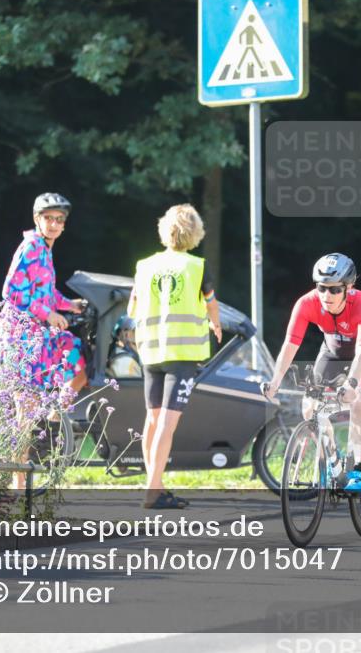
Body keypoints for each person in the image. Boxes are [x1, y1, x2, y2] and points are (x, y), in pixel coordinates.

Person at [262, 253, 361, 494]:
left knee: (360, 401)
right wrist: (275, 381)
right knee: (309, 406)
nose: (326, 296)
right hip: (333, 351)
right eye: (322, 288)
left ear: (349, 288)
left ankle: (360, 469)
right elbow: (289, 346)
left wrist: (352, 384)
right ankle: (332, 460)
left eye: (334, 290)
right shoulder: (306, 303)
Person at [128, 204, 222, 509]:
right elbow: (210, 303)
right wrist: (216, 325)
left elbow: (132, 309)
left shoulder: (144, 265)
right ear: (195, 232)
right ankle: (153, 491)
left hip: (151, 351)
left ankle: (154, 485)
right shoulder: (196, 266)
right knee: (167, 424)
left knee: (152, 421)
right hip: (182, 354)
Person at [0, 192, 87, 487]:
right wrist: (48, 315)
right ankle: (19, 485)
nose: (54, 224)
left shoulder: (46, 251)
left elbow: (45, 293)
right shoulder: (31, 246)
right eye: (49, 218)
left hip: (40, 335)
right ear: (38, 219)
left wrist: (69, 305)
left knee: (76, 356)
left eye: (60, 220)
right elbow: (11, 291)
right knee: (25, 409)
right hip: (21, 338)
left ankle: (53, 419)